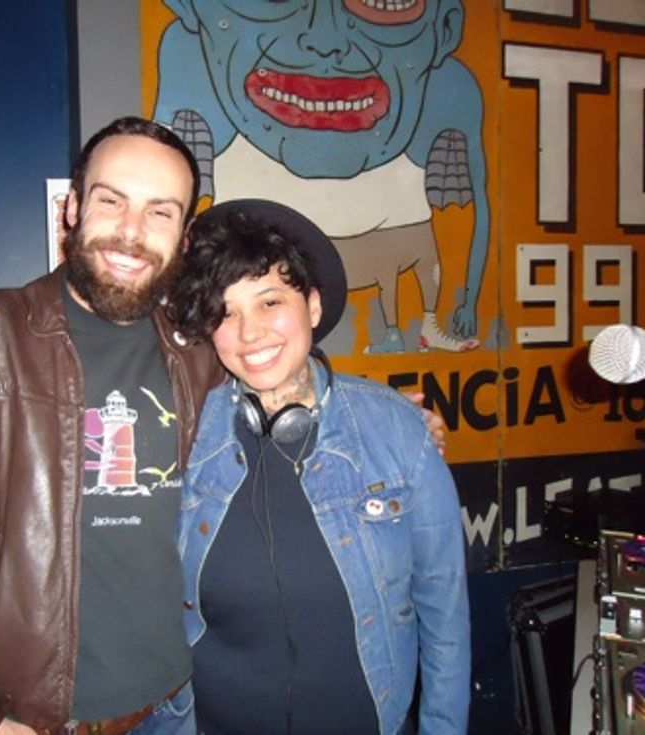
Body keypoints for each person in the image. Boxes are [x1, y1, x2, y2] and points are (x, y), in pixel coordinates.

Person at [0, 116, 224, 735]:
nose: (132, 232)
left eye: (160, 212)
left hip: (179, 703)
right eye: (111, 201)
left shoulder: (199, 354)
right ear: (72, 208)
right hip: (30, 717)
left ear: (184, 237)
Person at [168, 199, 470, 735]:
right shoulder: (185, 436)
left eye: (269, 302)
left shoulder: (398, 431)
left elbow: (444, 613)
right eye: (226, 312)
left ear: (311, 305)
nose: (249, 332)